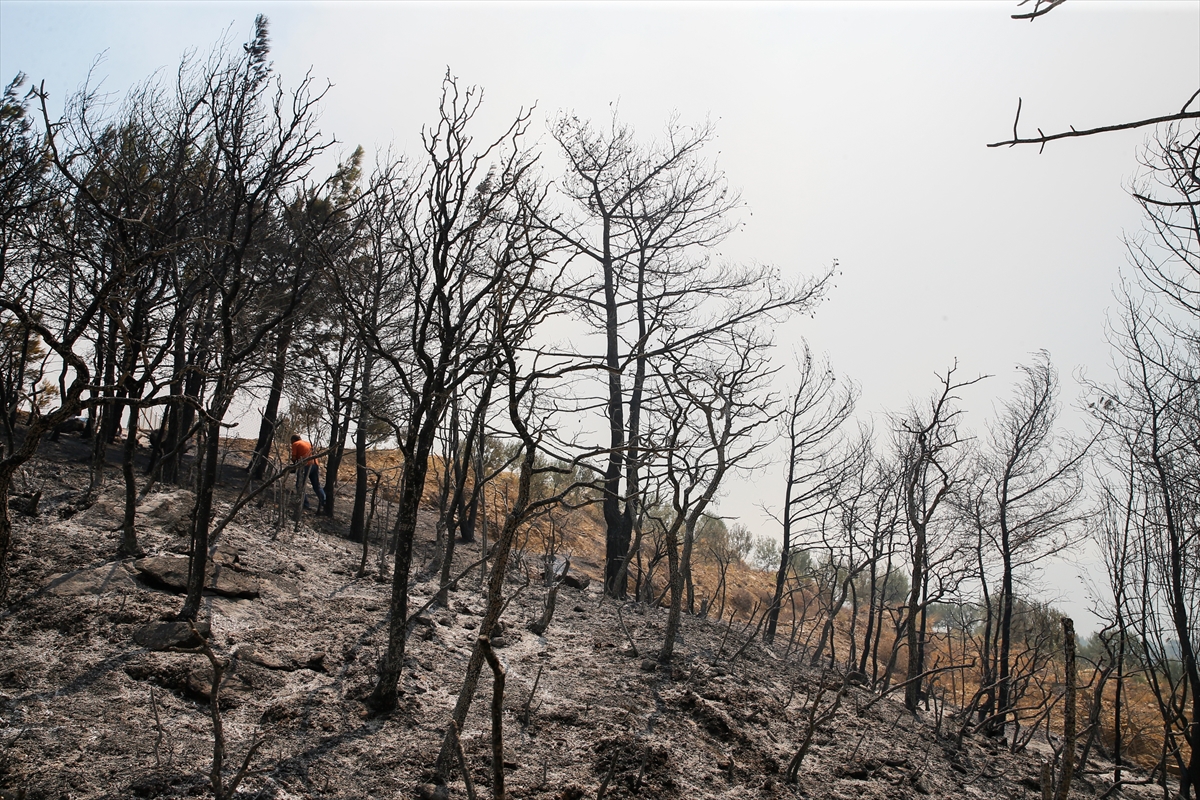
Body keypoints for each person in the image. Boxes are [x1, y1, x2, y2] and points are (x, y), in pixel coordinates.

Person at [290, 434, 326, 512]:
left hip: (305, 465)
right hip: (315, 464)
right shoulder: (308, 443)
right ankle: (324, 502)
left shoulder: (295, 444)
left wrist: (294, 465)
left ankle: (305, 504)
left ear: (293, 440)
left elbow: (294, 457)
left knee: (300, 485)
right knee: (316, 485)